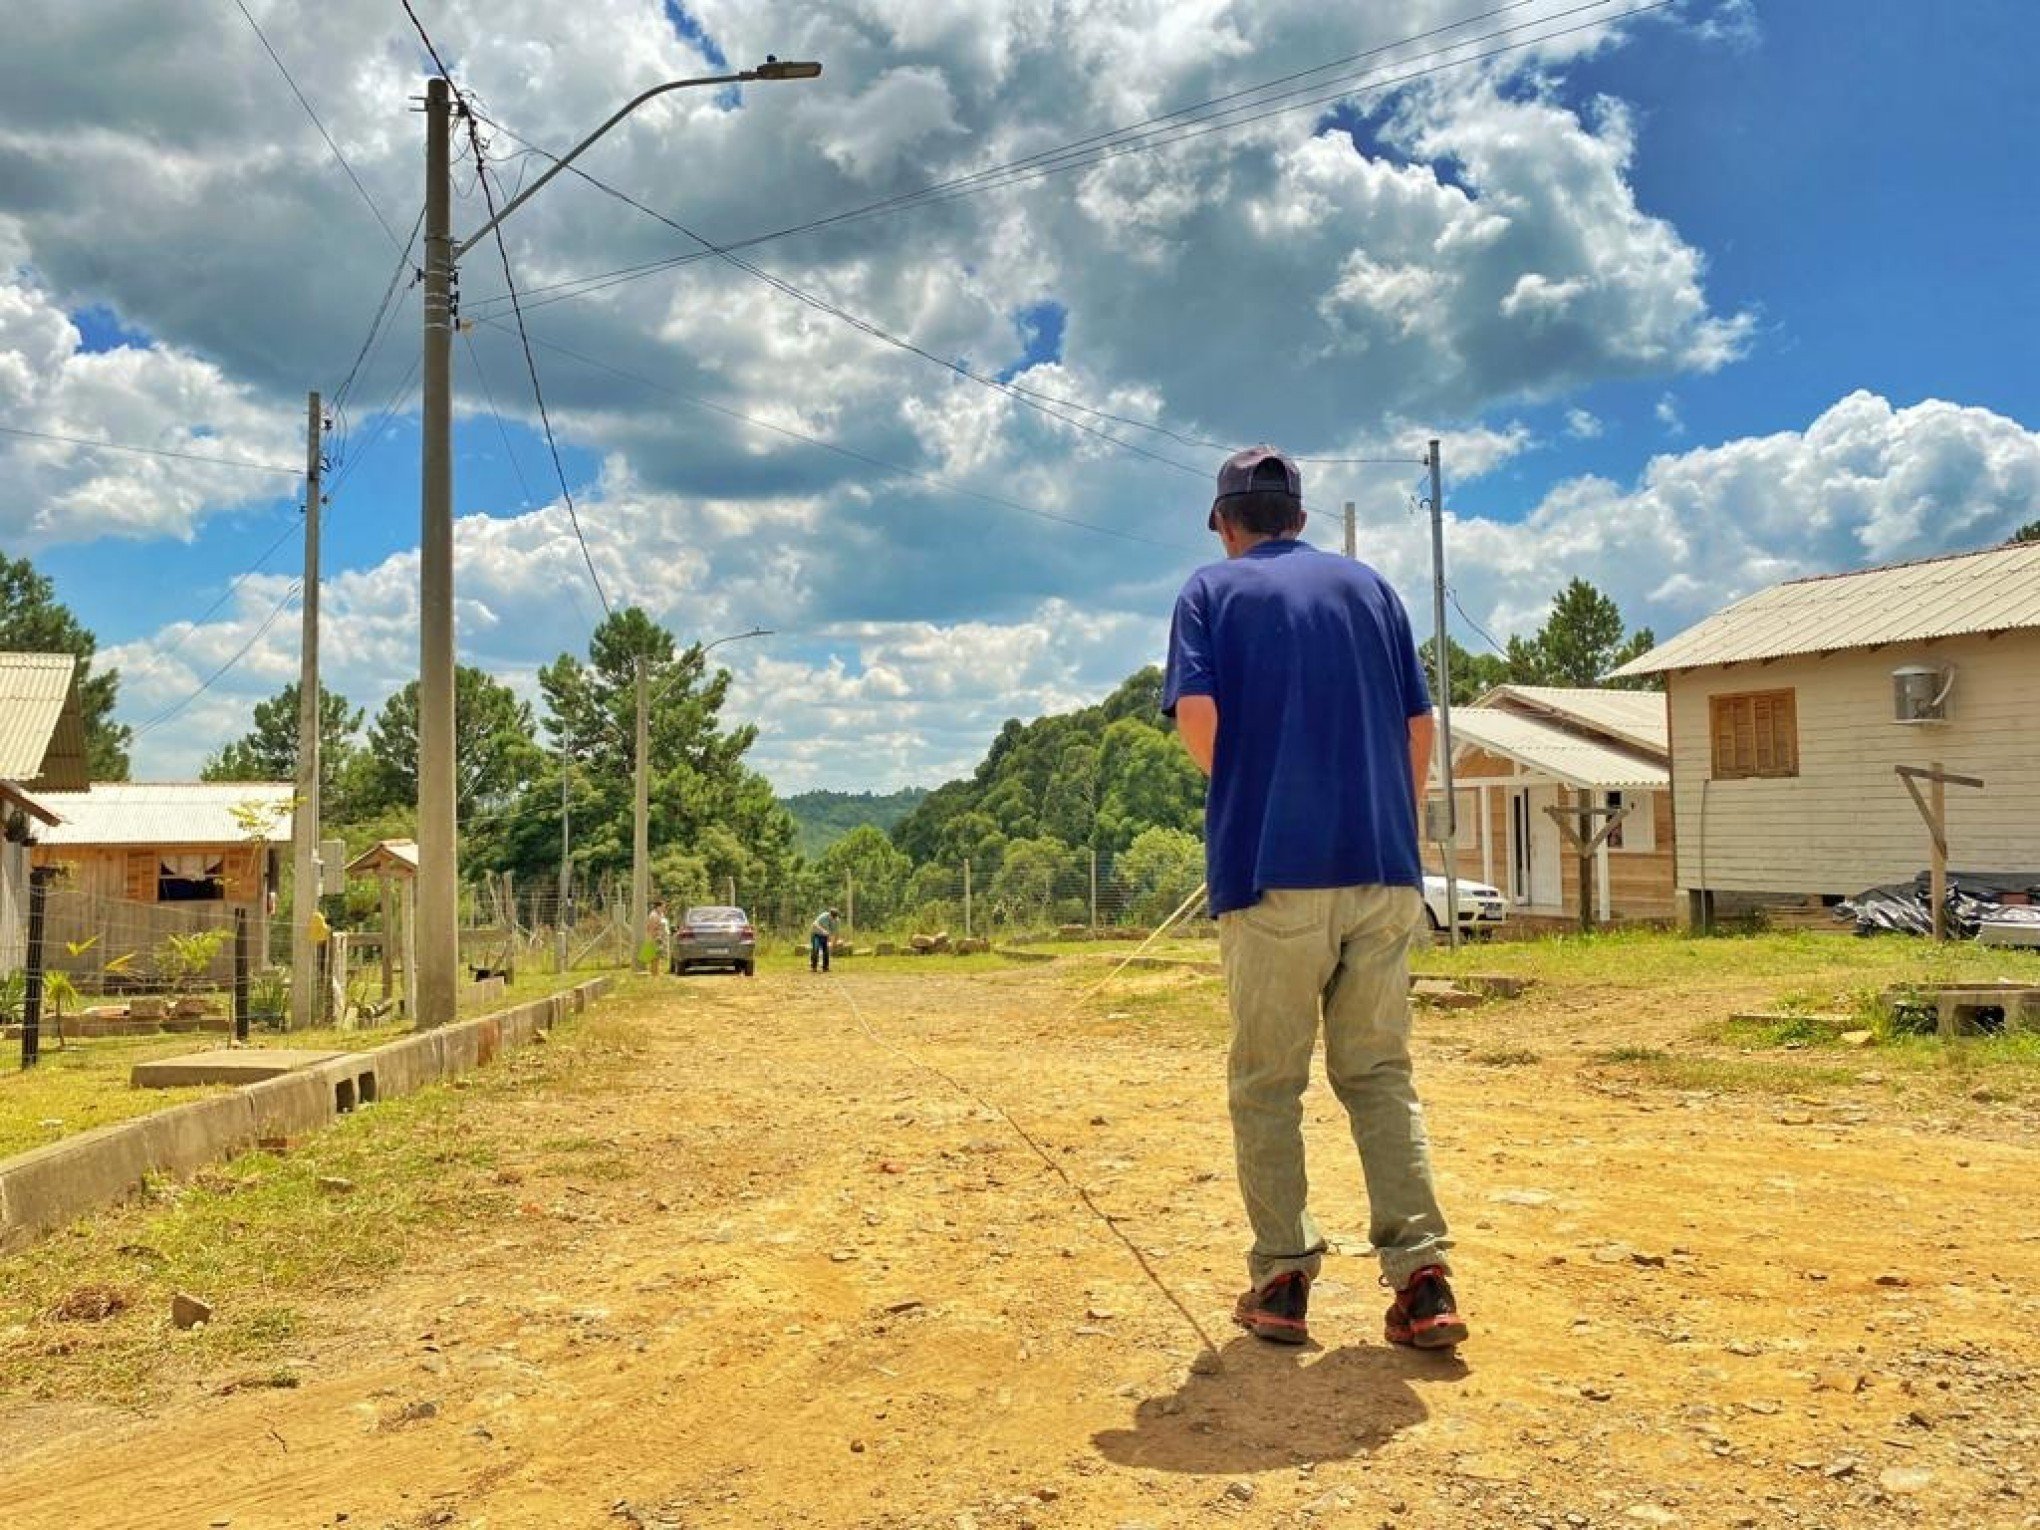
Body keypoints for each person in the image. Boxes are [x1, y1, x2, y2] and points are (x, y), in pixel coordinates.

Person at [1162, 444, 1466, 1351]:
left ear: (1225, 522)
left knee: (1268, 1083)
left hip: (1273, 874)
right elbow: (1421, 725)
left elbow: (1198, 718)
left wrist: (1258, 797)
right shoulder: (1371, 590)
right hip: (1382, 868)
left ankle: (1283, 1279)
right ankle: (1423, 1280)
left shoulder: (1209, 596)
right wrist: (1388, 823)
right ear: (1295, 516)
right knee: (1378, 1076)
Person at [645, 899, 671, 975]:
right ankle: (654, 973)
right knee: (654, 956)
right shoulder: (653, 915)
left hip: (660, 937)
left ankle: (657, 972)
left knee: (658, 956)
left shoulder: (661, 914)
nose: (664, 908)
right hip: (655, 937)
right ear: (658, 907)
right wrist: (656, 936)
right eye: (663, 906)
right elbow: (651, 927)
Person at [810, 908, 840, 973]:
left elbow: (835, 933)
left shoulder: (836, 920)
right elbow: (814, 924)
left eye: (834, 918)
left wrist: (833, 944)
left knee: (826, 951)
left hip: (824, 936)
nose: (833, 919)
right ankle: (814, 967)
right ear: (829, 914)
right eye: (832, 917)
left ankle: (825, 967)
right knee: (815, 949)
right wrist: (822, 930)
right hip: (816, 934)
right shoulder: (823, 916)